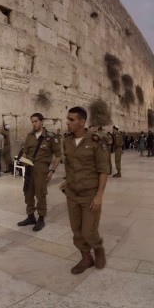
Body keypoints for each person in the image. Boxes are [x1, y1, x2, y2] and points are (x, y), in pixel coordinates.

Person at [60, 106, 109, 275]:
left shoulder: (96, 141)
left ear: (82, 122)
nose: (67, 122)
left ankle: (98, 247)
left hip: (90, 194)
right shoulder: (66, 140)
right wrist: (67, 180)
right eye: (67, 119)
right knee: (77, 231)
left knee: (88, 231)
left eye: (71, 120)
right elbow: (70, 165)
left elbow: (103, 169)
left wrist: (99, 196)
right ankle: (86, 257)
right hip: (72, 194)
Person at [16, 113, 62, 232]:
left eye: (36, 121)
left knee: (40, 194)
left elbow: (58, 156)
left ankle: (41, 218)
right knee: (28, 193)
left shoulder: (51, 137)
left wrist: (52, 170)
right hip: (29, 168)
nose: (34, 124)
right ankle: (30, 216)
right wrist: (24, 160)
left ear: (42, 122)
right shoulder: (30, 136)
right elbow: (25, 151)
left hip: (42, 170)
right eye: (32, 122)